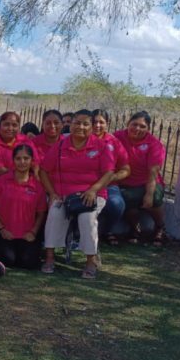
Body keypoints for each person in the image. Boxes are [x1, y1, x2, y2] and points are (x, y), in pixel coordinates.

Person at [39, 109, 115, 279]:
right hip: (63, 195)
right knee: (54, 214)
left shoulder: (101, 146)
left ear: (92, 127)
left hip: (92, 194)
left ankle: (90, 261)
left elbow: (109, 173)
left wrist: (93, 190)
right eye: (77, 123)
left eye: (85, 124)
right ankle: (49, 257)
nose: (81, 127)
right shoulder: (60, 146)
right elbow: (43, 170)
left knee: (87, 218)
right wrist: (52, 193)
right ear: (70, 124)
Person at [0, 144, 46, 270]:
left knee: (28, 263)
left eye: (26, 158)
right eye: (18, 158)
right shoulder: (1, 181)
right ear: (13, 160)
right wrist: (1, 229)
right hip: (5, 233)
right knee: (8, 259)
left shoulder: (37, 186)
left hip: (27, 234)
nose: (22, 162)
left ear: (32, 160)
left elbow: (41, 213)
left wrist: (33, 232)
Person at [114, 110, 167, 246]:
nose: (137, 128)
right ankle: (135, 228)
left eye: (142, 126)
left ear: (148, 129)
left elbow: (153, 171)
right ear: (128, 123)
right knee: (126, 199)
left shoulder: (154, 144)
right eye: (134, 124)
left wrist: (149, 194)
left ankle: (160, 227)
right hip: (125, 182)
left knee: (155, 197)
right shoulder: (117, 137)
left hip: (148, 182)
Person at [92, 109, 130, 245]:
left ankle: (106, 231)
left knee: (116, 204)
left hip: (108, 185)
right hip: (83, 184)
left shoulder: (114, 142)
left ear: (107, 124)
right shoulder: (81, 139)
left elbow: (126, 169)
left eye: (101, 122)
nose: (97, 125)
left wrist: (113, 177)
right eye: (94, 122)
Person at [0, 111, 40, 189]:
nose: (10, 128)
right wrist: (22, 174)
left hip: (23, 183)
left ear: (19, 128)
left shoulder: (25, 140)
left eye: (14, 125)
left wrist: (36, 177)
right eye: (6, 124)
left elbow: (35, 162)